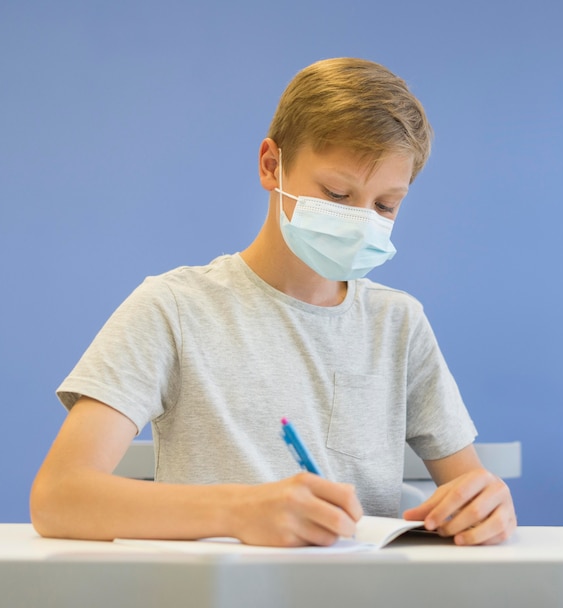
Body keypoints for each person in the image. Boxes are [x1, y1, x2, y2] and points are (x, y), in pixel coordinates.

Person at [30, 57, 516, 547]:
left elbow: (466, 489)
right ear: (271, 165)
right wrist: (240, 510)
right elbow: (59, 497)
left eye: (385, 205)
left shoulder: (398, 323)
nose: (361, 221)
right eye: (337, 193)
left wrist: (483, 505)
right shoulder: (174, 309)